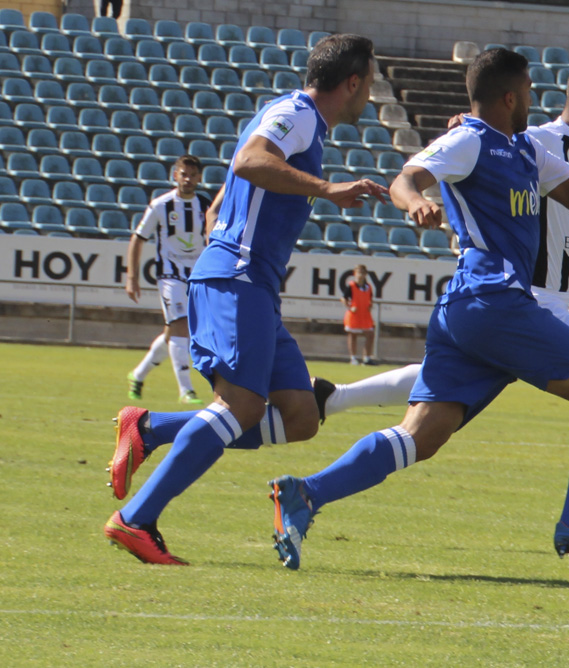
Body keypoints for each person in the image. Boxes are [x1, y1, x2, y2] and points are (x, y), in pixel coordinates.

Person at [312, 61, 569, 547]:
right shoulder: (527, 139)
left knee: (426, 430)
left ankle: (319, 450)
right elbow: (422, 171)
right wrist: (421, 194)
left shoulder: (536, 147)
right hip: (518, 299)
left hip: (503, 304)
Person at [267, 48, 569, 570]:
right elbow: (408, 177)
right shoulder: (471, 140)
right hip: (493, 297)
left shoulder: (525, 151)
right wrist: (415, 202)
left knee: (421, 436)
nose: (534, 101)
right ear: (511, 96)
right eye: (530, 92)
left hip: (473, 310)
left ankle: (304, 494)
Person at [103, 34, 387, 564]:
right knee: (241, 406)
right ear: (352, 82)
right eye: (369, 83)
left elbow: (222, 202)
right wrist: (325, 190)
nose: (369, 94)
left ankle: (150, 427)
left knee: (301, 415)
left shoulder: (298, 122)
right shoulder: (298, 114)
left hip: (251, 281)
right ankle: (136, 519)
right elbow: (249, 162)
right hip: (238, 276)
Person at [125, 155, 210, 405]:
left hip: (196, 275)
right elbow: (138, 238)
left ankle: (138, 374)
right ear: (175, 175)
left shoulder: (206, 206)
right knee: (182, 325)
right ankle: (186, 390)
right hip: (169, 274)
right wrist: (132, 277)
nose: (187, 179)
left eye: (193, 175)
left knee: (173, 332)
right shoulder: (161, 205)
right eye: (183, 174)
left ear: (199, 178)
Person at [341, 264, 376, 365]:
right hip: (354, 315)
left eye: (362, 273)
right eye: (358, 273)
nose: (360, 275)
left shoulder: (368, 287)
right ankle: (353, 358)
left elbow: (370, 299)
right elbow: (343, 298)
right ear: (355, 274)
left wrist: (370, 305)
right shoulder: (351, 286)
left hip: (365, 314)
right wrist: (349, 307)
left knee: (370, 335)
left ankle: (367, 358)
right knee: (353, 335)